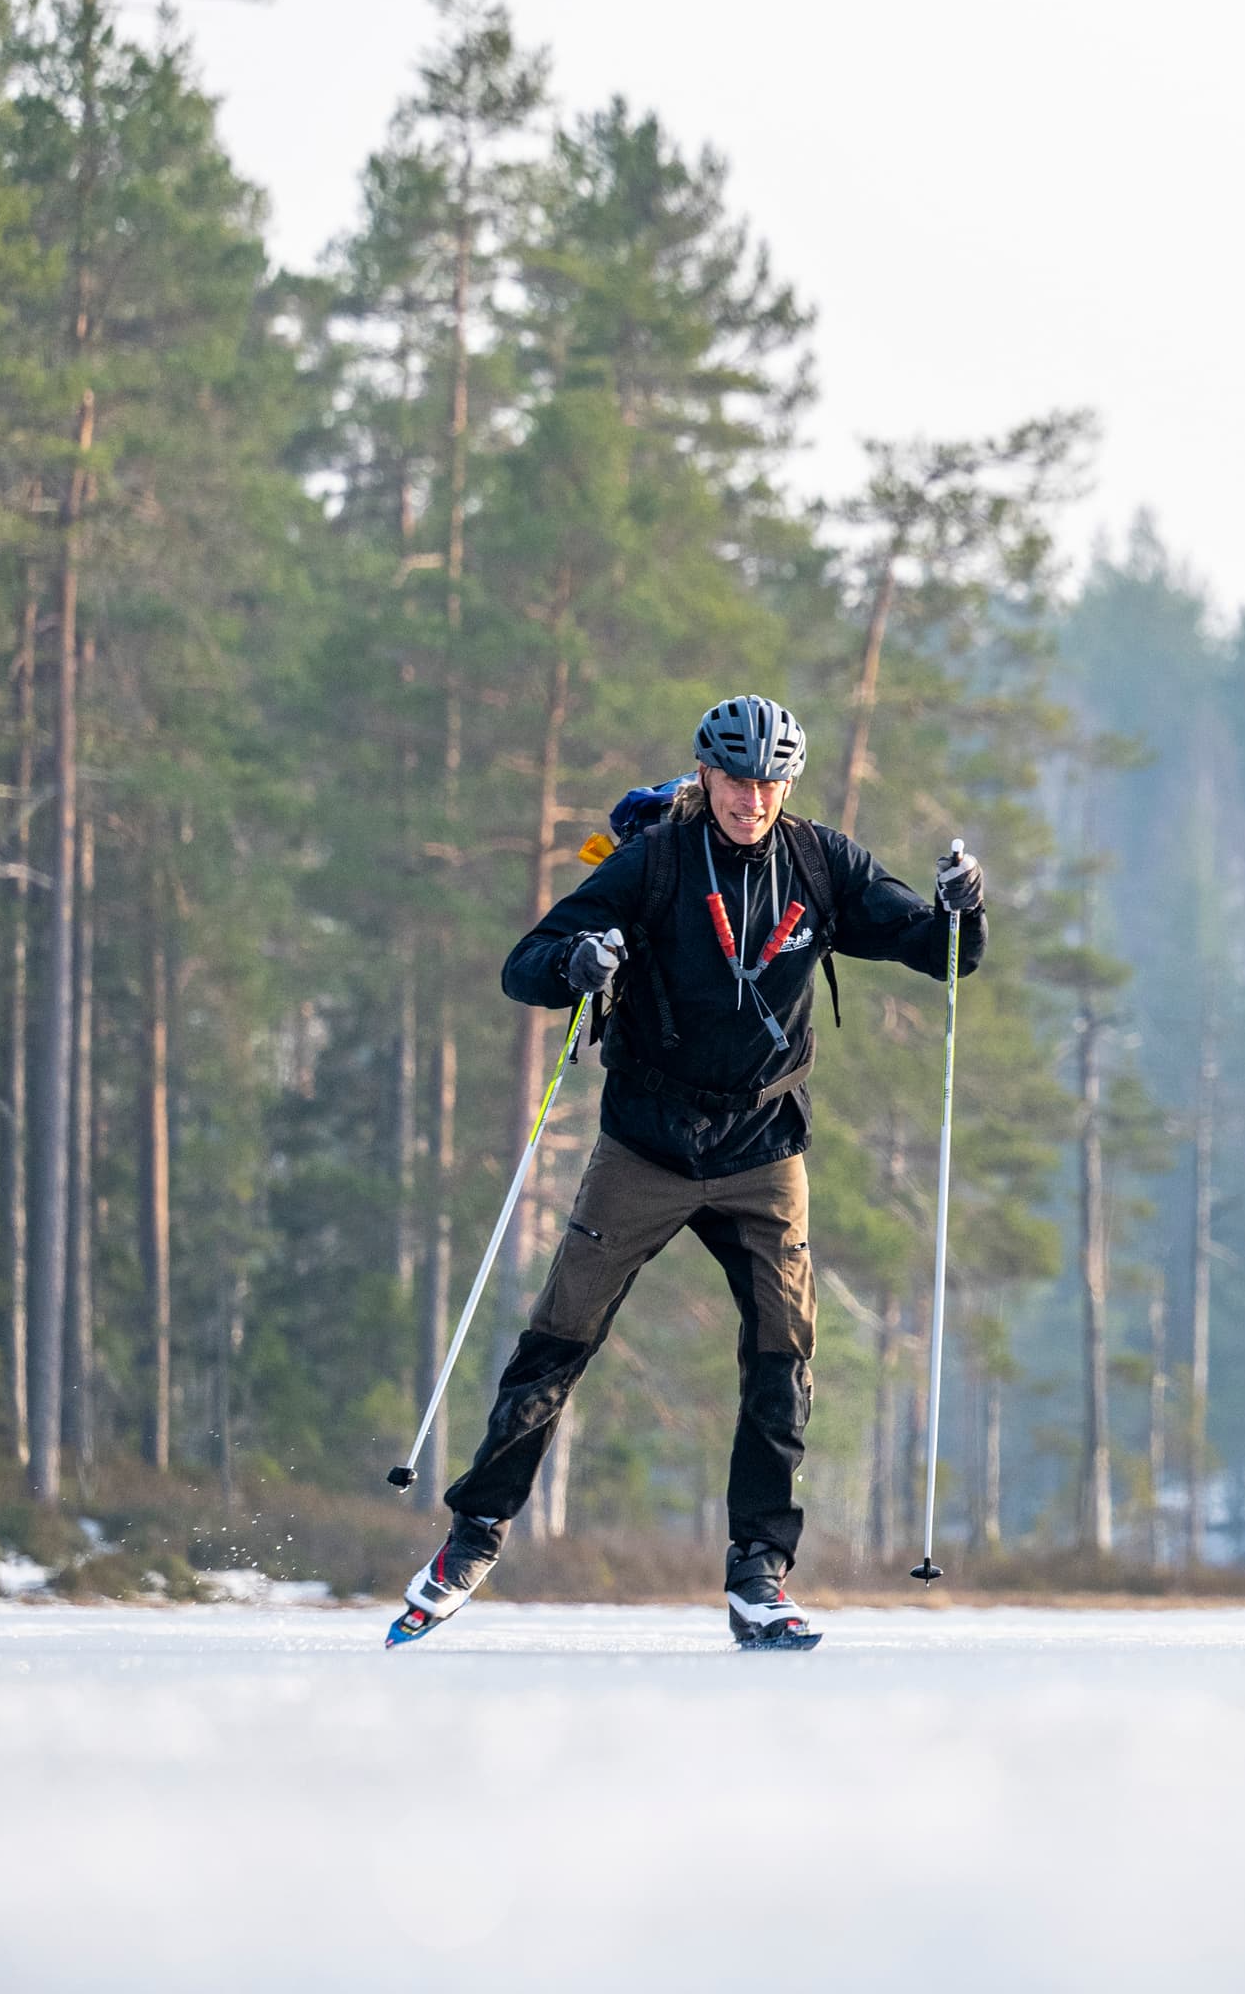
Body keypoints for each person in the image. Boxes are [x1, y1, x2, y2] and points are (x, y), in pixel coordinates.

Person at [387, 693, 988, 1651]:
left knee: (782, 1358)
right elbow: (525, 963)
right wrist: (579, 959)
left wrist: (963, 909)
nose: (751, 797)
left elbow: (934, 951)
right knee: (558, 1340)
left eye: (768, 780)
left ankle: (759, 1572)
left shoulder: (824, 864)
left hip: (763, 1151)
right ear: (704, 775)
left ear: (787, 781)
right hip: (647, 1144)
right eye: (735, 778)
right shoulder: (654, 863)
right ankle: (473, 1539)